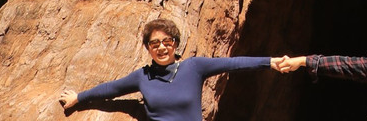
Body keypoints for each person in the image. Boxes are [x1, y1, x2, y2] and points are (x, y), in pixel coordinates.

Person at [59, 18, 274, 121]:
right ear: (148, 48)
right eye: (155, 44)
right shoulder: (142, 76)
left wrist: (271, 62)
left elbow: (234, 64)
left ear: (175, 43)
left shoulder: (194, 67)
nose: (161, 47)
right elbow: (112, 89)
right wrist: (79, 97)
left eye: (167, 41)